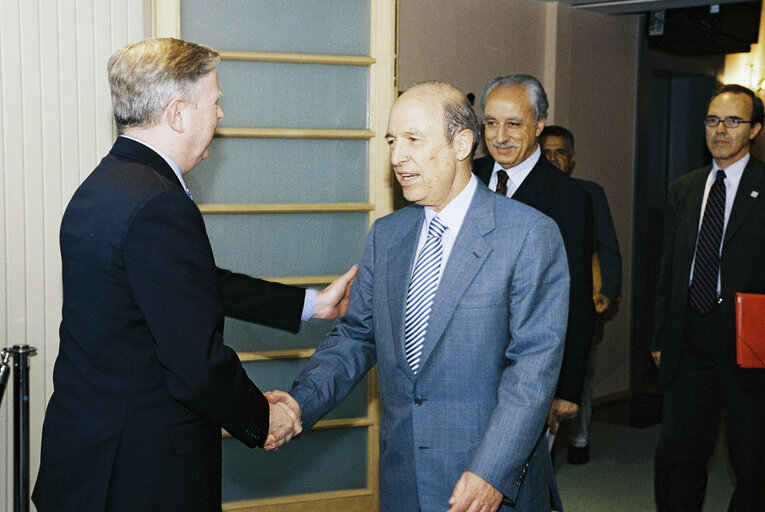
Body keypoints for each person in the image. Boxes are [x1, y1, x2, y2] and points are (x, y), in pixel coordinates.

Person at [32, 38, 355, 512]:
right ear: (179, 113)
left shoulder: (104, 185)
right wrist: (262, 419)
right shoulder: (159, 203)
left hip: (88, 457)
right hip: (139, 473)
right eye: (216, 101)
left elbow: (191, 285)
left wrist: (311, 304)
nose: (221, 114)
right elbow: (196, 366)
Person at [268, 81, 569, 511]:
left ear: (462, 143)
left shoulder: (528, 234)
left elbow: (533, 370)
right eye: (392, 140)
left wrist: (491, 470)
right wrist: (297, 404)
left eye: (413, 140)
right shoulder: (387, 236)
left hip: (489, 484)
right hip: (403, 478)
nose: (397, 157)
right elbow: (356, 337)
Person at [652, 84, 765, 511]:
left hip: (749, 343)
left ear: (754, 130)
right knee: (677, 455)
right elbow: (669, 270)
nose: (720, 130)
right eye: (713, 120)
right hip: (689, 339)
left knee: (752, 461)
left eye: (733, 121)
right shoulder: (684, 189)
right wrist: (660, 338)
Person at [473, 74, 595, 440]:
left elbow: (575, 294)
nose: (499, 136)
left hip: (529, 370)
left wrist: (567, 388)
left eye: (514, 124)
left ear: (539, 124)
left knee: (520, 484)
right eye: (491, 123)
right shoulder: (465, 179)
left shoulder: (568, 198)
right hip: (465, 365)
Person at [540, 125, 623, 465]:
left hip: (580, 300)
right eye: (546, 152)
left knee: (580, 369)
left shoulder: (590, 193)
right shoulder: (527, 192)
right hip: (538, 301)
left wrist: (609, 289)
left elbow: (608, 244)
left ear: (572, 159)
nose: (553, 158)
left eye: (560, 152)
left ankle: (580, 437)